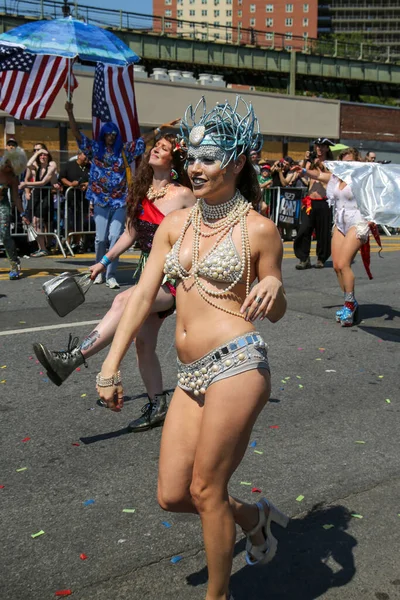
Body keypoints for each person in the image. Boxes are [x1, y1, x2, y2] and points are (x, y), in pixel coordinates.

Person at [96, 97, 288, 600]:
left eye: (208, 158)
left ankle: (218, 595)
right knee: (173, 495)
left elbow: (276, 293)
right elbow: (143, 295)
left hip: (238, 363)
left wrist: (274, 290)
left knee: (206, 489)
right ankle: (254, 517)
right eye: (192, 158)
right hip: (191, 372)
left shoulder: (258, 229)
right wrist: (111, 364)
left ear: (238, 162)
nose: (195, 167)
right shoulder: (177, 224)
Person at [33, 133, 195, 432]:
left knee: (124, 300)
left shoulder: (184, 195)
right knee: (143, 345)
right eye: (156, 147)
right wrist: (103, 262)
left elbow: (199, 236)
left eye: (164, 149)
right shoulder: (143, 190)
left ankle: (71, 358)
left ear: (174, 159)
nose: (156, 151)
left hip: (172, 279)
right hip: (147, 272)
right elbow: (130, 234)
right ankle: (158, 404)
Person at [64, 101, 180, 289]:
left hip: (119, 200)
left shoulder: (124, 150)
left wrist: (160, 128)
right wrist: (70, 113)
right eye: (108, 134)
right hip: (101, 201)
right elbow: (77, 134)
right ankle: (100, 268)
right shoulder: (95, 149)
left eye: (114, 134)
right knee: (101, 238)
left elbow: (143, 140)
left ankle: (111, 274)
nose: (111, 137)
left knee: (116, 236)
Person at [293, 147, 377, 326]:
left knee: (343, 264)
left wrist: (372, 219)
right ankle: (351, 302)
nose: (346, 164)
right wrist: (304, 171)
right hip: (340, 224)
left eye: (350, 161)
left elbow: (376, 198)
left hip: (358, 222)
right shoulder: (336, 177)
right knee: (336, 267)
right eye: (343, 161)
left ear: (356, 162)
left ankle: (348, 304)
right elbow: (320, 176)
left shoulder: (362, 178)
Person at [293, 137, 334, 269]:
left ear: (327, 148)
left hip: (324, 201)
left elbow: (323, 176)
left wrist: (317, 164)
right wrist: (306, 160)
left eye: (322, 146)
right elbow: (302, 175)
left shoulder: (330, 164)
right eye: (317, 146)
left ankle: (321, 258)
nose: (319, 149)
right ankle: (304, 258)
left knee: (323, 232)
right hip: (310, 201)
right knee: (304, 230)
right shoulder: (311, 162)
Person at [19, 149, 58, 257]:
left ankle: (45, 247)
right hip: (36, 195)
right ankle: (41, 247)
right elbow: (28, 164)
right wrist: (37, 153)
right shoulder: (36, 166)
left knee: (38, 221)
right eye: (40, 155)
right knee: (34, 223)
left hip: (45, 196)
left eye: (44, 155)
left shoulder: (52, 165)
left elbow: (43, 182)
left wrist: (25, 183)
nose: (42, 157)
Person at [0, 147, 29, 279]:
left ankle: (14, 263)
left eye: (11, 167)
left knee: (5, 234)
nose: (7, 168)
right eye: (7, 164)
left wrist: (23, 214)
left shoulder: (12, 177)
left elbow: (16, 198)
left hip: (3, 206)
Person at [59, 151, 91, 253]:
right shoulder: (69, 165)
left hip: (83, 200)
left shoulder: (90, 167)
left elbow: (95, 179)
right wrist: (70, 184)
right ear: (79, 155)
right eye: (85, 155)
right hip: (71, 199)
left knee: (79, 223)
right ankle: (67, 243)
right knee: (69, 222)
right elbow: (61, 177)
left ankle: (77, 244)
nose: (87, 158)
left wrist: (87, 184)